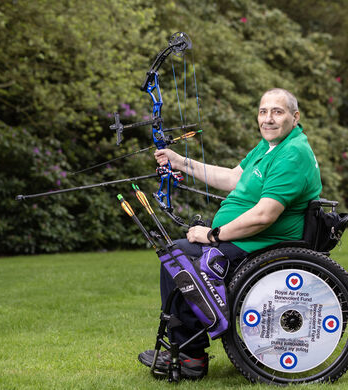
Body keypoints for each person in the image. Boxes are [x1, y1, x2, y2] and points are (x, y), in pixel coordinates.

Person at [137, 88, 323, 379]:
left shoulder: (292, 153)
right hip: (249, 241)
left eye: (278, 111)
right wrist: (179, 161)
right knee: (176, 253)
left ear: (295, 117)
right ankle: (185, 350)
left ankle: (190, 357)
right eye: (263, 111)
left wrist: (213, 235)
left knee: (180, 256)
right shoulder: (269, 146)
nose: (268, 119)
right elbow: (233, 177)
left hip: (263, 246)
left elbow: (264, 215)